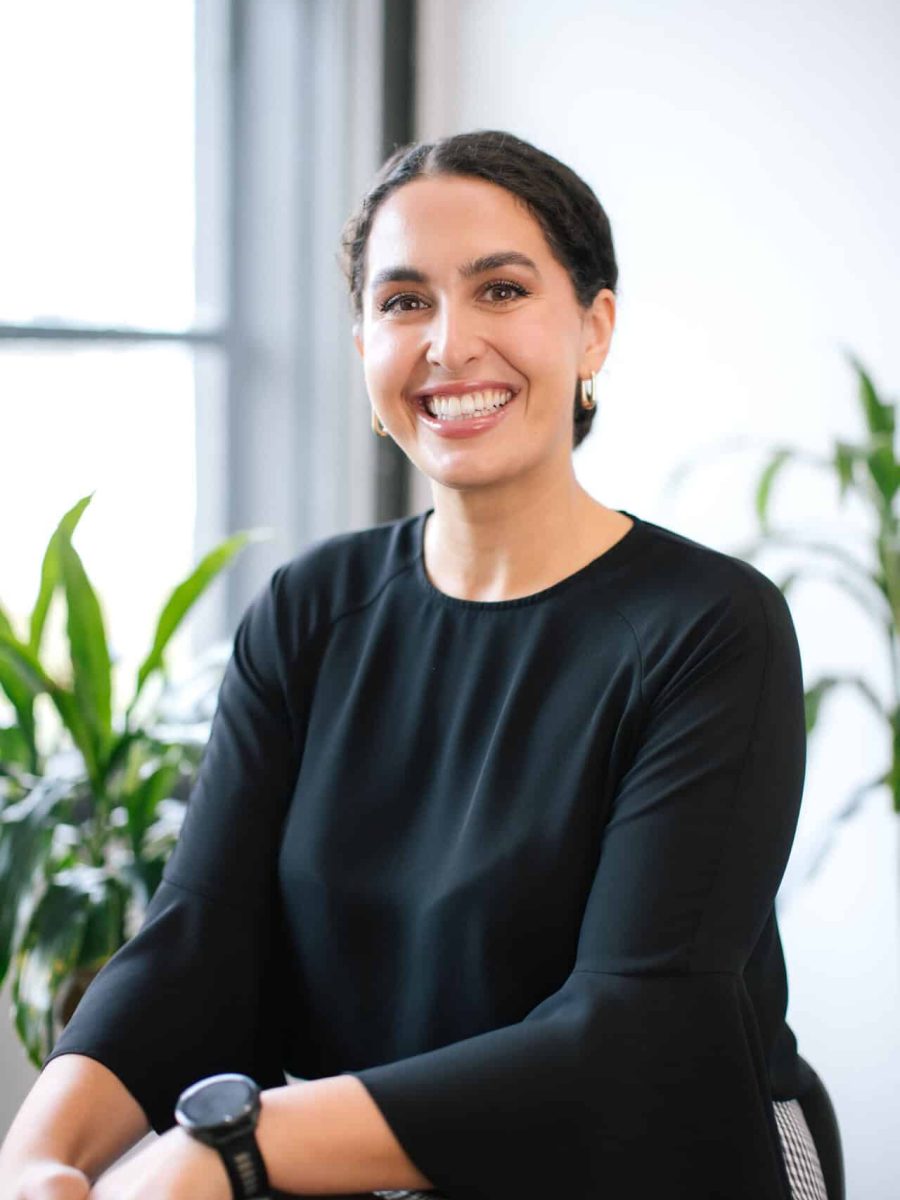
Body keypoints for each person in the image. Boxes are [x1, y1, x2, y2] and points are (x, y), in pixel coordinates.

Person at [0, 130, 844, 1200]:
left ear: (594, 330)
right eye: (403, 303)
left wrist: (231, 1147)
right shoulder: (312, 611)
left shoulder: (711, 627)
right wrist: (36, 1156)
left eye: (500, 290)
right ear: (363, 348)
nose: (449, 344)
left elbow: (632, 1031)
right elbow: (196, 940)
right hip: (374, 1171)